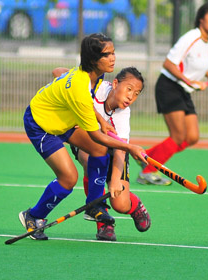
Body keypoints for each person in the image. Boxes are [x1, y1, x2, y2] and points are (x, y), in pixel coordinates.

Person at [20, 33, 148, 241]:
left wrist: (99, 117)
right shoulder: (80, 86)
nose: (113, 58)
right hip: (41, 124)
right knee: (69, 178)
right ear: (93, 60)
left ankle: (94, 205)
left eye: (113, 52)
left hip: (64, 120)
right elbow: (97, 136)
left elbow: (63, 77)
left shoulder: (93, 75)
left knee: (99, 152)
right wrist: (131, 148)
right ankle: (34, 216)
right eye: (107, 54)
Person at [53, 66, 151, 241]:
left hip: (115, 148)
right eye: (129, 89)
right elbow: (58, 71)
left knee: (120, 204)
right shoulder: (96, 88)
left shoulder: (122, 114)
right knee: (90, 159)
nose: (131, 96)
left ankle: (135, 205)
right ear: (115, 83)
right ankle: (103, 220)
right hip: (88, 142)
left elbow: (121, 150)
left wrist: (114, 180)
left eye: (136, 94)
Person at [136, 1, 208, 185]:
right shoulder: (191, 36)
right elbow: (168, 63)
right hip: (169, 86)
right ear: (201, 18)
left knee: (191, 137)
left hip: (183, 90)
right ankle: (148, 172)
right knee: (178, 137)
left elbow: (195, 64)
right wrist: (189, 81)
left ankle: (146, 157)